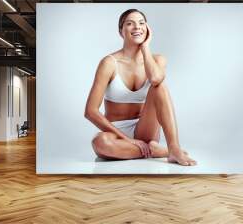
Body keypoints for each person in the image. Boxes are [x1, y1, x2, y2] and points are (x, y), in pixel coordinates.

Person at [84, 9, 196, 166]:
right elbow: (90, 112)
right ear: (121, 31)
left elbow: (156, 79)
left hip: (145, 129)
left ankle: (173, 147)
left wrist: (145, 47)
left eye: (141, 23)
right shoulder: (109, 63)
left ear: (148, 29)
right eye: (130, 24)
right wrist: (129, 140)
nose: (137, 27)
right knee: (99, 143)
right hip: (115, 132)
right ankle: (159, 151)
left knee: (159, 86)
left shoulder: (158, 59)